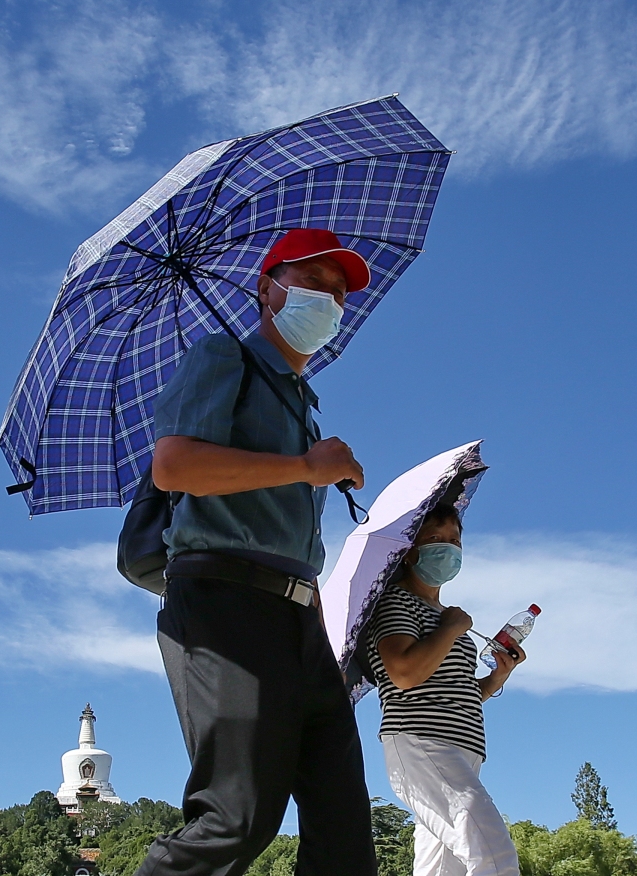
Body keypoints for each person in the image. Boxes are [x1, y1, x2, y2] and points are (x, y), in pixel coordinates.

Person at [135, 228, 378, 876]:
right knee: (236, 819)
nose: (327, 297)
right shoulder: (222, 356)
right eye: (310, 280)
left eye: (339, 291)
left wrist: (317, 465)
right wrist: (304, 466)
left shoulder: (303, 404)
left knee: (346, 835)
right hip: (225, 600)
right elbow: (174, 465)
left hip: (301, 617)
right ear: (267, 289)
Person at [368, 503, 525, 876]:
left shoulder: (443, 615)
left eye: (454, 540)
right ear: (410, 552)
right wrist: (452, 628)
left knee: (443, 869)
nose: (448, 548)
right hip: (424, 742)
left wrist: (496, 679)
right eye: (435, 539)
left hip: (461, 748)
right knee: (492, 854)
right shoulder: (396, 602)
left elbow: (451, 688)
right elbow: (405, 673)